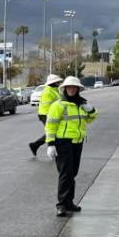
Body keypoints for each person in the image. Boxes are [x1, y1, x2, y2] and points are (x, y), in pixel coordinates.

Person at [45, 76, 98, 217]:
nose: (71, 90)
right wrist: (50, 144)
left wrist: (90, 109)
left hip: (77, 142)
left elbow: (91, 118)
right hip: (63, 143)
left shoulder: (81, 104)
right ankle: (61, 204)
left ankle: (69, 202)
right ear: (64, 89)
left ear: (78, 89)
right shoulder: (58, 105)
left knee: (73, 173)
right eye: (69, 87)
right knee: (65, 174)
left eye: (74, 87)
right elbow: (50, 125)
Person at [29, 73, 62, 156]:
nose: (58, 83)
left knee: (52, 131)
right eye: (57, 82)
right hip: (46, 114)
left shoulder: (54, 90)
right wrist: (52, 116)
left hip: (50, 114)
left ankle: (35, 145)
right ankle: (49, 148)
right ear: (53, 82)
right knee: (51, 131)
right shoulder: (48, 92)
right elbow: (47, 106)